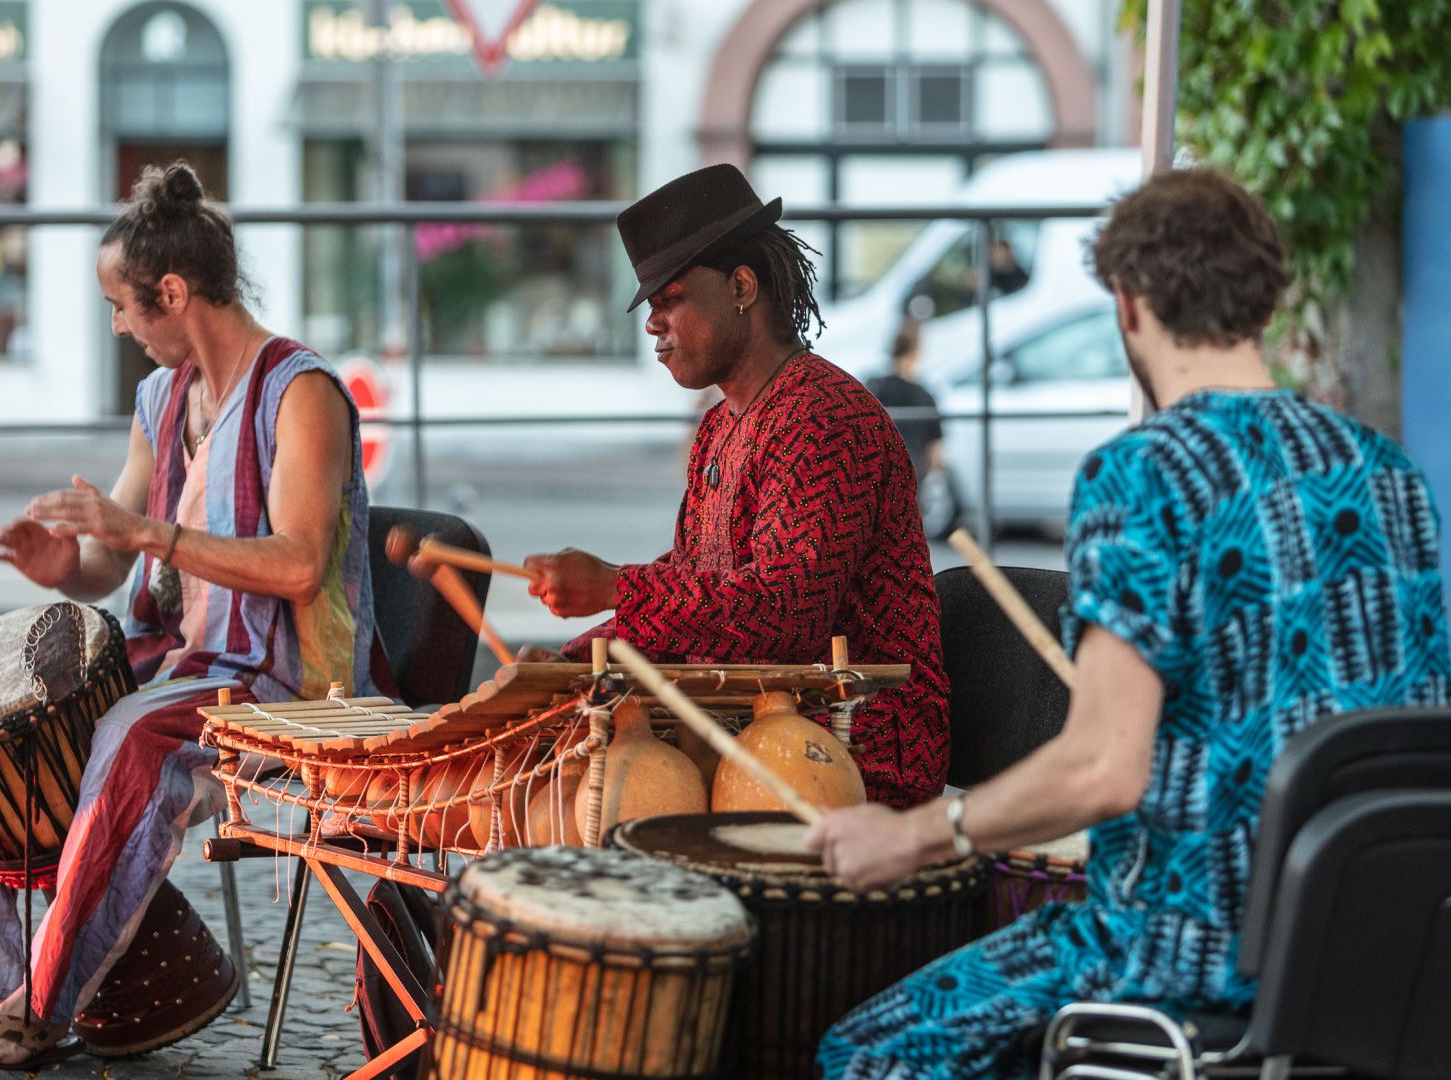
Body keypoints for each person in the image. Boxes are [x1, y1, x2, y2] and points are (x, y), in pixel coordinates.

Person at [805, 167, 1451, 1079]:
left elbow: (1106, 767)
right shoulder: (1393, 477)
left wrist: (908, 835)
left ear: (1131, 305)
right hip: (1373, 946)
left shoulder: (1146, 474)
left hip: (1187, 953)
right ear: (1264, 301)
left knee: (865, 1049)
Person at [0, 161, 382, 1068]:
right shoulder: (161, 399)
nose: (117, 326)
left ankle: (43, 1006)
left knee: (131, 741)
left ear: (171, 293)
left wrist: (135, 530)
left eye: (122, 306)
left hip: (285, 685)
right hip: (178, 661)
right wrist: (70, 565)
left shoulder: (301, 393)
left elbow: (297, 566)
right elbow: (115, 561)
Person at [521, 164, 950, 808]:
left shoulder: (825, 418)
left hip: (857, 744)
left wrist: (614, 587)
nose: (652, 325)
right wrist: (574, 661)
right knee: (541, 755)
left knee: (596, 799)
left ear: (742, 286)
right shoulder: (722, 426)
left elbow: (784, 616)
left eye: (670, 300)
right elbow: (698, 587)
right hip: (751, 721)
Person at [866, 315, 945, 487]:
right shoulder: (925, 396)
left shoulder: (872, 388)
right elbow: (936, 457)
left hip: (876, 479)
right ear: (917, 350)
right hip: (912, 483)